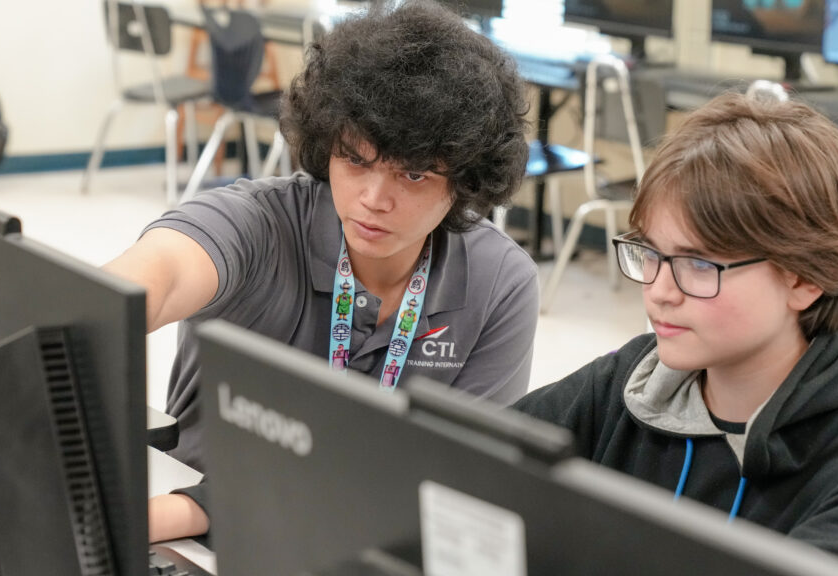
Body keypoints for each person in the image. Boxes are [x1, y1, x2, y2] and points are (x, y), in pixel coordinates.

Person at [105, 0, 537, 542]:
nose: (374, 199)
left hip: (364, 553)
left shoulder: (500, 283)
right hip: (201, 543)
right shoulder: (257, 224)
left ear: (465, 182)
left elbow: (462, 485)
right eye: (355, 159)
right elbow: (150, 279)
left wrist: (183, 512)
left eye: (415, 174)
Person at [512, 92, 838, 576]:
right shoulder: (634, 380)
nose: (658, 292)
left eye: (699, 265)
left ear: (805, 279)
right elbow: (463, 459)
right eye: (651, 253)